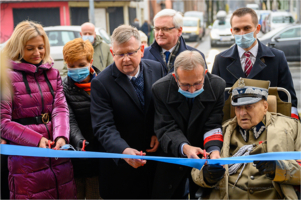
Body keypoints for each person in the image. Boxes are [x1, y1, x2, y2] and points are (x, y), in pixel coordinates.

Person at [0, 20, 76, 199]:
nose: (37, 53)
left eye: (41, 47)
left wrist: (61, 136)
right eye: (30, 48)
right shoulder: (6, 76)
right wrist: (37, 140)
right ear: (19, 47)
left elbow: (60, 108)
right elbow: (3, 123)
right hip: (26, 157)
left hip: (57, 153)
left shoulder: (53, 73)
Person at [191, 78, 301, 199]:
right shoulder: (221, 131)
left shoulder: (291, 127)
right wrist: (206, 175)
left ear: (265, 106)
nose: (242, 113)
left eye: (249, 106)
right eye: (238, 107)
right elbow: (197, 168)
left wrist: (279, 168)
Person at [90, 25, 164, 198]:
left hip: (153, 164)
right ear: (111, 52)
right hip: (120, 171)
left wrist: (157, 131)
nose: (125, 59)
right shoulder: (101, 83)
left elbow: (163, 108)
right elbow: (103, 126)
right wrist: (123, 150)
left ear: (142, 50)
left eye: (131, 53)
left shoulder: (157, 69)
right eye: (120, 54)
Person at [151, 50, 226, 199]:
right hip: (173, 157)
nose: (192, 90)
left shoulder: (217, 86)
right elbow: (166, 127)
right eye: (185, 85)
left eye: (198, 84)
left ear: (205, 73)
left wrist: (214, 151)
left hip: (203, 157)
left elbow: (213, 124)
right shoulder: (160, 89)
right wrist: (185, 147)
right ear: (175, 77)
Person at [211, 7, 299, 119]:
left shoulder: (277, 58)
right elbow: (214, 101)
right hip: (232, 126)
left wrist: (291, 126)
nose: (242, 34)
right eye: (237, 29)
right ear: (232, 31)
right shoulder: (221, 60)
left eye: (247, 28)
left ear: (257, 28)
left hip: (270, 126)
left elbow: (289, 99)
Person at [62, 38, 101, 199]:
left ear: (90, 62)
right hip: (76, 153)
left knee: (96, 194)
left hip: (100, 154)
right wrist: (79, 142)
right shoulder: (63, 87)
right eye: (71, 66)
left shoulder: (104, 84)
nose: (76, 69)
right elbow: (68, 119)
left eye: (81, 65)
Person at [143, 9, 207, 75]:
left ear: (179, 31)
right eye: (157, 29)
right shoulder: (143, 55)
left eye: (165, 29)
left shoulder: (197, 58)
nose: (160, 33)